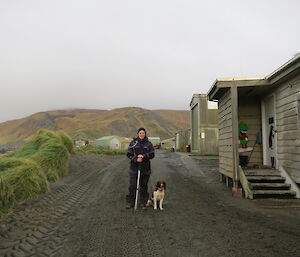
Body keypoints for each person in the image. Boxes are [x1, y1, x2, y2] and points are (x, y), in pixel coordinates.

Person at [126, 128, 155, 209]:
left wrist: (144, 156)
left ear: (145, 134)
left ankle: (143, 202)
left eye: (143, 133)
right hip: (134, 169)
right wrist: (136, 158)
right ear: (138, 134)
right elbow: (129, 154)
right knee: (133, 186)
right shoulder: (133, 143)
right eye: (140, 133)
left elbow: (152, 154)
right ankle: (131, 202)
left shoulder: (149, 144)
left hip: (145, 169)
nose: (142, 134)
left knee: (144, 186)